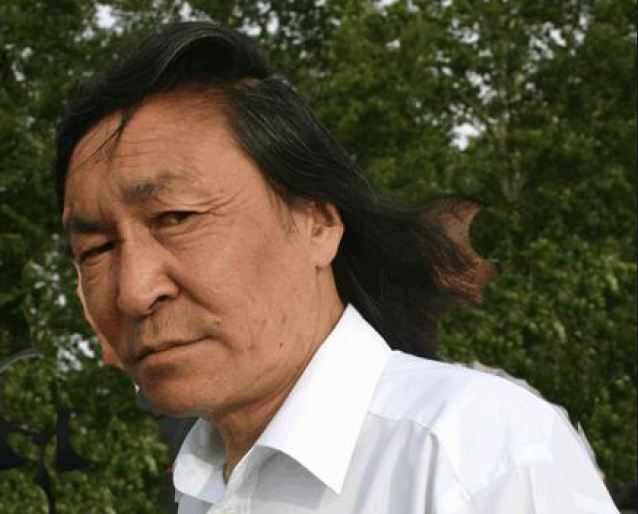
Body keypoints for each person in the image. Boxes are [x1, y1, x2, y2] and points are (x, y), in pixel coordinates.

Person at [55, 21, 620, 514]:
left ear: (318, 222)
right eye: (97, 249)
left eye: (176, 217)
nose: (134, 291)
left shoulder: (471, 449)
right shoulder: (202, 484)